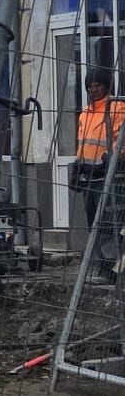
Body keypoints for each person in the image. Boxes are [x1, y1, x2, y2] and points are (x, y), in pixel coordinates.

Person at [76, 69, 125, 280]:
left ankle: (113, 270)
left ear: (107, 86)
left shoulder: (117, 109)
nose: (93, 89)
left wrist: (109, 159)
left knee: (108, 223)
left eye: (97, 85)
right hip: (89, 177)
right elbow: (83, 144)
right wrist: (78, 166)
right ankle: (103, 267)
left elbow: (121, 141)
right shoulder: (85, 113)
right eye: (90, 86)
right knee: (94, 225)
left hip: (110, 176)